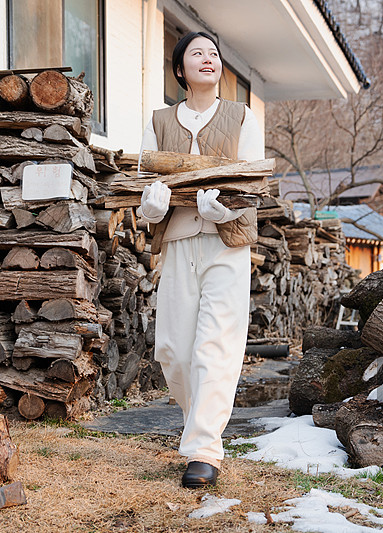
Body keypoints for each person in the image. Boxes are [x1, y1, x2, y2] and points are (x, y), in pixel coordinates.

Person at [136, 31, 264, 489]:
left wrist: (227, 208)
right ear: (180, 69)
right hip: (177, 240)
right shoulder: (158, 120)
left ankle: (205, 449)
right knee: (172, 347)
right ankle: (199, 429)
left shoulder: (242, 116)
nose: (208, 59)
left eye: (214, 54)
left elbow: (252, 185)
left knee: (216, 346)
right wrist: (149, 208)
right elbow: (143, 186)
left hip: (226, 243)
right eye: (197, 53)